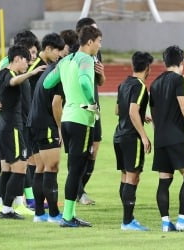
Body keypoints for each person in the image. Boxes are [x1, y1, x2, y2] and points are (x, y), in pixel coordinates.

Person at [43, 25, 102, 227]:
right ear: (89, 42)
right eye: (99, 41)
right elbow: (86, 83)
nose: (100, 46)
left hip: (67, 118)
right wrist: (91, 104)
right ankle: (68, 217)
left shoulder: (66, 60)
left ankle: (70, 215)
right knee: (76, 169)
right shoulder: (86, 59)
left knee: (73, 167)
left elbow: (47, 83)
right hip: (81, 119)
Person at [150, 45, 184, 232]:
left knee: (164, 179)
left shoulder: (155, 82)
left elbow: (153, 112)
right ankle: (183, 220)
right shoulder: (180, 79)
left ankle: (166, 222)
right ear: (182, 62)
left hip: (160, 138)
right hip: (176, 137)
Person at [27, 31, 75, 223]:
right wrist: (60, 128)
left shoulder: (49, 68)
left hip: (34, 122)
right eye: (57, 50)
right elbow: (56, 103)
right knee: (51, 167)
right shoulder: (58, 71)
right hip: (46, 124)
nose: (59, 54)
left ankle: (40, 213)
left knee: (40, 167)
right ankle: (54, 214)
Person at [0, 45, 46, 219]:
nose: (28, 64)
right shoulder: (10, 75)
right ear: (17, 59)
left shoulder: (0, 72)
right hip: (12, 128)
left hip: (3, 127)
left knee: (8, 168)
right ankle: (7, 209)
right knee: (20, 167)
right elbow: (12, 82)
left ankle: (3, 206)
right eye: (26, 60)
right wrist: (31, 74)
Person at [114, 51, 154, 231]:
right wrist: (144, 136)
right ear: (147, 68)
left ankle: (128, 219)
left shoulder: (123, 84)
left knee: (125, 176)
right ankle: (127, 222)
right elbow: (131, 111)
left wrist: (141, 114)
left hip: (119, 135)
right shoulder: (140, 86)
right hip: (131, 137)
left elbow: (118, 110)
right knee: (133, 177)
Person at [74, 17, 106, 205]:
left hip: (95, 106)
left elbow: (99, 82)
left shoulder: (96, 53)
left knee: (94, 148)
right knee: (80, 152)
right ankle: (77, 192)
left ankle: (80, 189)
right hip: (81, 108)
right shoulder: (74, 55)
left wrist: (101, 73)